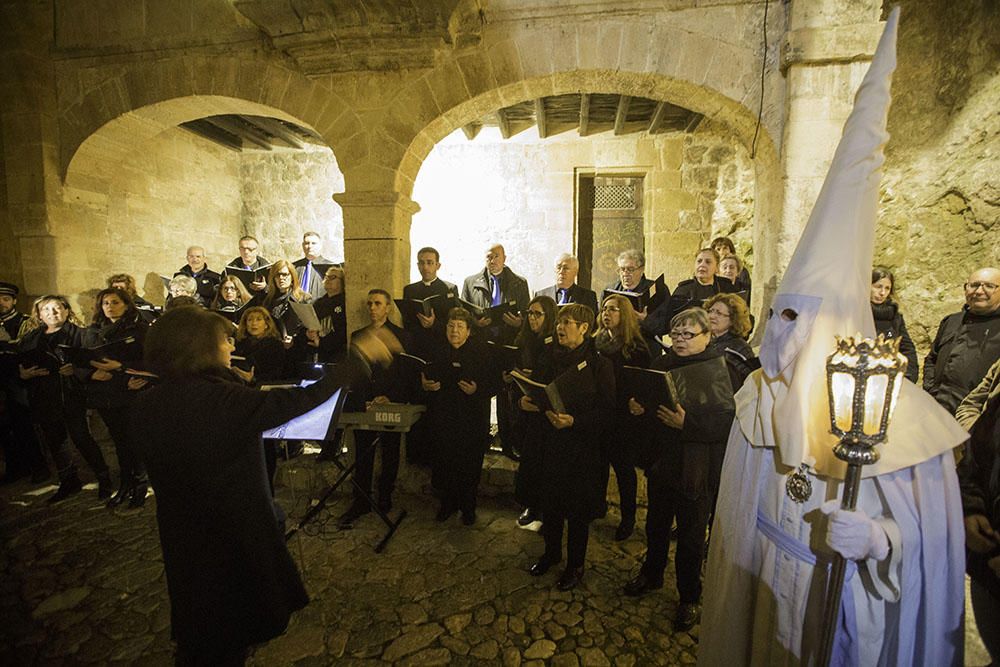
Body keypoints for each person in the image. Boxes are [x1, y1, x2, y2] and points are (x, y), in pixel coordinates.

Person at [701, 13, 968, 663]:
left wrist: (882, 540)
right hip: (762, 593)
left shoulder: (901, 422)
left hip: (840, 616)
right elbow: (734, 523)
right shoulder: (757, 404)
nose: (779, 338)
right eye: (778, 315)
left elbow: (932, 553)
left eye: (799, 320)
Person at [131, 305, 396, 664]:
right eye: (224, 341)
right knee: (227, 631)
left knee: (202, 623)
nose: (230, 348)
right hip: (230, 534)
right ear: (199, 348)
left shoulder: (149, 402)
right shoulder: (219, 400)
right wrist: (357, 358)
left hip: (184, 535)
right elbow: (298, 400)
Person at [623, 308, 734, 632]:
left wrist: (689, 424)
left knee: (690, 536)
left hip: (696, 467)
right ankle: (652, 573)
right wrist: (638, 407)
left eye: (689, 334)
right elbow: (650, 405)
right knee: (656, 525)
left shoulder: (718, 369)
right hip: (663, 461)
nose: (681, 340)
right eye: (676, 334)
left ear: (707, 336)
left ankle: (689, 596)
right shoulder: (662, 364)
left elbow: (727, 422)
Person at [524, 303, 615, 591]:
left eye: (568, 322)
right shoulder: (548, 356)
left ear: (585, 328)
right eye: (559, 322)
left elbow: (608, 412)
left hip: (581, 448)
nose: (560, 327)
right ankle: (551, 554)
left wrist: (574, 420)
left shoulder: (600, 364)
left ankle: (575, 565)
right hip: (549, 442)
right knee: (550, 504)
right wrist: (527, 401)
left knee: (577, 512)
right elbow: (536, 388)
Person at [18, 295, 112, 502]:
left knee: (81, 438)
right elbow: (21, 366)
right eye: (46, 309)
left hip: (73, 396)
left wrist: (77, 370)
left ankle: (104, 478)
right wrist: (24, 374)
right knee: (55, 442)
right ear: (40, 315)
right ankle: (69, 481)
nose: (52, 313)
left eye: (57, 308)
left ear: (67, 310)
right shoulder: (30, 339)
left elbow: (100, 363)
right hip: (45, 397)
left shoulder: (82, 335)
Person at [337, 289, 412, 526]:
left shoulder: (401, 335)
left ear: (388, 307)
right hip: (364, 402)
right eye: (369, 303)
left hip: (390, 402)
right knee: (363, 452)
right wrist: (363, 398)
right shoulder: (358, 335)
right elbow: (355, 373)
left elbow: (403, 374)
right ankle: (361, 500)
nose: (372, 307)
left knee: (390, 451)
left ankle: (385, 496)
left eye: (377, 303)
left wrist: (389, 396)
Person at [421, 308, 497, 524]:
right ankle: (448, 505)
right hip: (443, 418)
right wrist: (425, 385)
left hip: (472, 420)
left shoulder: (482, 352)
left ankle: (468, 508)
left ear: (469, 331)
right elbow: (423, 378)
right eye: (451, 326)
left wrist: (476, 390)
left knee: (469, 466)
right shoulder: (436, 351)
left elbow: (494, 384)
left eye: (459, 327)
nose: (454, 331)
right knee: (445, 463)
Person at [593, 293, 651, 541]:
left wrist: (637, 402)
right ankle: (596, 506)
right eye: (605, 308)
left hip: (622, 419)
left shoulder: (636, 348)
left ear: (624, 314)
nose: (607, 313)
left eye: (614, 309)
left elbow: (644, 383)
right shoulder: (594, 343)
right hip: (598, 414)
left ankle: (628, 518)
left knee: (624, 471)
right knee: (597, 466)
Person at [86, 287, 150, 508]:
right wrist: (90, 373)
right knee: (119, 442)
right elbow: (82, 360)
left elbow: (149, 361)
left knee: (134, 441)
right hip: (106, 394)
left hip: (131, 391)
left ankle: (140, 485)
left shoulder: (139, 330)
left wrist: (122, 367)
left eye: (115, 302)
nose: (110, 307)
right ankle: (125, 484)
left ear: (126, 304)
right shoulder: (93, 331)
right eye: (105, 303)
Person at [923, 266, 1000, 413]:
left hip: (979, 418)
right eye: (974, 285)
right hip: (937, 409)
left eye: (989, 286)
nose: (979, 291)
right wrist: (930, 390)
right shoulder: (951, 321)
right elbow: (932, 358)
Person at [511, 295, 557, 529]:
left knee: (544, 463)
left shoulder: (553, 344)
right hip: (526, 407)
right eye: (529, 313)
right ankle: (530, 505)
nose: (532, 318)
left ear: (549, 317)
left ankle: (545, 508)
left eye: (537, 314)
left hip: (545, 410)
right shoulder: (523, 339)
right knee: (528, 461)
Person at [0, 281, 49, 484]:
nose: (0, 303)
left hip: (19, 382)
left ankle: (39, 467)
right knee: (3, 428)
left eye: (5, 299)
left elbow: (28, 352)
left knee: (24, 425)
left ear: (14, 301)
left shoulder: (26, 322)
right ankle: (16, 467)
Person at [461, 242, 530, 344]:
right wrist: (475, 323)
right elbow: (463, 313)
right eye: (489, 257)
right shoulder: (470, 283)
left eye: (496, 256)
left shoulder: (520, 283)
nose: (492, 261)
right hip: (479, 340)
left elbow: (527, 314)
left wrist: (519, 323)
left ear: (504, 258)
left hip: (510, 339)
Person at [608, 248, 671, 353]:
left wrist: (645, 320)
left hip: (646, 349)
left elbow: (665, 325)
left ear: (641, 270)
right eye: (622, 269)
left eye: (630, 269)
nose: (625, 274)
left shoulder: (658, 290)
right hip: (616, 348)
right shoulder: (611, 290)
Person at [401, 247, 458, 358]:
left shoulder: (449, 289)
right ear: (417, 265)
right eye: (421, 263)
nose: (425, 267)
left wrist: (434, 324)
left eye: (430, 263)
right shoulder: (409, 290)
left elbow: (453, 319)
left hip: (441, 344)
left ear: (438, 265)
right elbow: (406, 320)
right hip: (416, 345)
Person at [869, 267, 918, 382]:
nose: (882, 293)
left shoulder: (894, 316)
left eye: (887, 288)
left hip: (890, 378)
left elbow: (907, 348)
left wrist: (908, 377)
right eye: (878, 287)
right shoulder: (859, 312)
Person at [304, 265, 348, 364]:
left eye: (332, 277)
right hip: (319, 354)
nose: (328, 279)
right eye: (326, 276)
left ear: (342, 281)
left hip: (338, 354)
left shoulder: (345, 303)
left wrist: (322, 342)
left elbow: (342, 331)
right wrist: (309, 333)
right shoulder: (318, 303)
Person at [233, 307, 288, 384]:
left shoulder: (275, 345)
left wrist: (253, 379)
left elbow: (276, 373)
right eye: (250, 320)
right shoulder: (239, 343)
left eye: (258, 319)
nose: (254, 323)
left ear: (266, 325)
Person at [672, 248, 738, 308]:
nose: (702, 265)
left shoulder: (728, 289)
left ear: (717, 268)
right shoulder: (682, 291)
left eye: (708, 262)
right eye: (699, 261)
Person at [263, 260, 312, 341]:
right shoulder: (267, 300)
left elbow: (309, 328)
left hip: (296, 346)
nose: (281, 278)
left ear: (292, 276)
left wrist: (294, 339)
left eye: (285, 274)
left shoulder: (304, 299)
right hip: (272, 346)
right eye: (277, 275)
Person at [293, 231, 337, 302]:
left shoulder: (330, 267)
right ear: (302, 245)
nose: (310, 246)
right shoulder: (294, 267)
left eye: (313, 243)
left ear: (320, 245)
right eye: (307, 243)